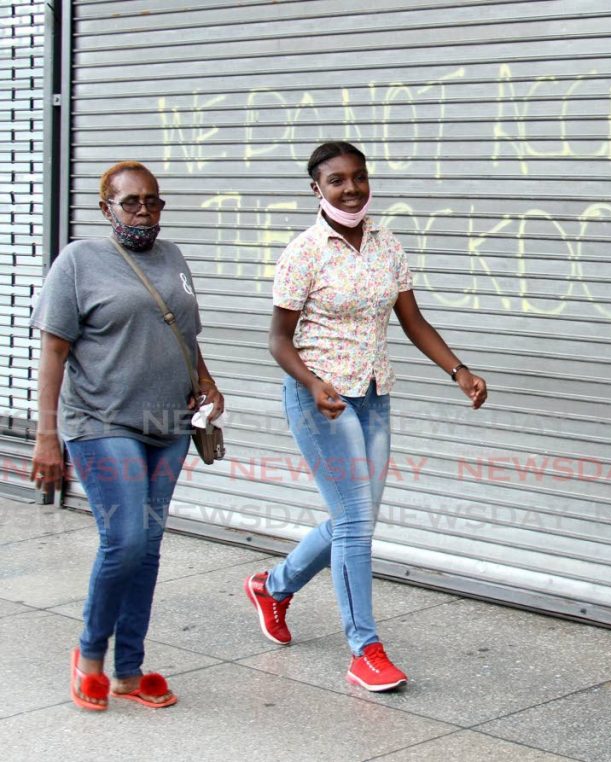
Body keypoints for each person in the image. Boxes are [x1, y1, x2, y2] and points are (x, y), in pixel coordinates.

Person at [245, 141, 487, 692]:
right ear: (316, 188)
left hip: (374, 393)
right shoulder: (303, 253)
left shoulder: (386, 242)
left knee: (353, 520)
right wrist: (313, 383)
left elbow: (413, 320)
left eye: (358, 177)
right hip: (319, 398)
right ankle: (365, 649)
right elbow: (279, 341)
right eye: (336, 180)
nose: (350, 188)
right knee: (355, 524)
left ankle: (273, 587)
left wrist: (459, 371)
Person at [31, 161, 224, 711]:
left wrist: (207, 382)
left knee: (149, 545)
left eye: (153, 201)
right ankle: (89, 655)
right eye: (131, 201)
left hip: (169, 426)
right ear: (105, 207)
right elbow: (52, 353)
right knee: (127, 540)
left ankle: (129, 670)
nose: (144, 211)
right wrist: (48, 438)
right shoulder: (78, 262)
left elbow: (184, 331)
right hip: (100, 422)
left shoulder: (172, 258)